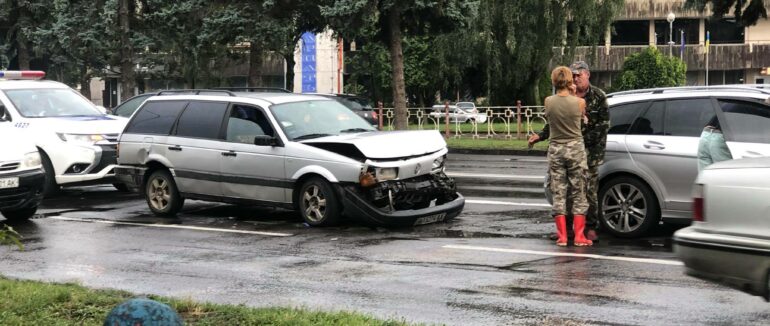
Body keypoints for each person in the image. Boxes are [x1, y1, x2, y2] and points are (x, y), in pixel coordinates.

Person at [529, 61, 609, 241]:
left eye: (579, 75)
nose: (576, 78)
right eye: (572, 75)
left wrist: (583, 143)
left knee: (588, 192)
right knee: (567, 192)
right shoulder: (576, 100)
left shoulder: (598, 95)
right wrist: (541, 136)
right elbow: (552, 124)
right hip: (576, 150)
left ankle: (589, 228)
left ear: (587, 74)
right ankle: (569, 230)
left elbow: (603, 126)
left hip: (591, 152)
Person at [543, 66, 592, 247]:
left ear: (554, 81)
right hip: (575, 149)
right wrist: (573, 92)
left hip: (556, 149)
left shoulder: (548, 101)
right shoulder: (579, 103)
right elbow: (582, 120)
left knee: (559, 192)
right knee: (579, 191)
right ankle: (579, 236)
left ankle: (562, 236)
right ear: (570, 81)